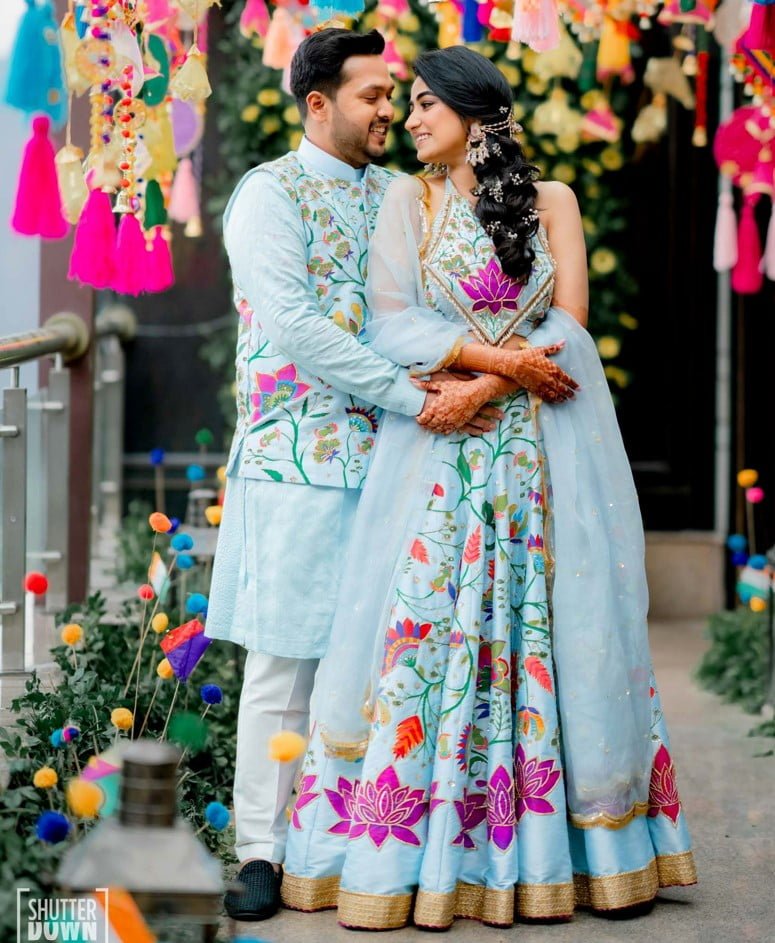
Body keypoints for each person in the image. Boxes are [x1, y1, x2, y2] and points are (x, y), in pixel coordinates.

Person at [280, 46, 697, 930]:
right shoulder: (409, 199)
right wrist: (490, 365)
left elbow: (570, 327)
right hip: (441, 460)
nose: (412, 119)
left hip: (544, 450)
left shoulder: (553, 203)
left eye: (429, 105)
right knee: (433, 630)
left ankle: (580, 856)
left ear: (476, 114)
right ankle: (420, 858)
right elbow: (391, 324)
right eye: (409, 104)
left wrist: (491, 382)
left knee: (558, 625)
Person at [204, 29, 567, 922]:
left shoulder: (405, 195)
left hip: (409, 467)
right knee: (286, 656)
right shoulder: (269, 195)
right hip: (304, 459)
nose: (389, 112)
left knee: (389, 661)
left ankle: (359, 847)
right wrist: (418, 399)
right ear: (316, 102)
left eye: (394, 96)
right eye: (371, 95)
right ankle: (261, 846)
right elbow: (294, 324)